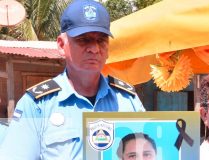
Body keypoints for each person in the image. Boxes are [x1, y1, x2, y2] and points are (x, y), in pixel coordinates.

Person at [0, 0, 145, 159]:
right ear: (62, 45)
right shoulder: (37, 105)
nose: (94, 48)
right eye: (84, 39)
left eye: (101, 40)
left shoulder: (128, 100)